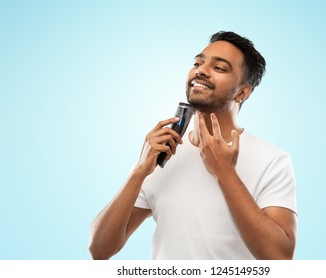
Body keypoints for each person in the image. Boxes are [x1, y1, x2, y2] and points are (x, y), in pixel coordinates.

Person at [88, 31, 297, 260]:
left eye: (219, 68)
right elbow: (99, 250)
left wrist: (225, 172)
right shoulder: (162, 154)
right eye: (198, 62)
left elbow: (280, 258)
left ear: (242, 92)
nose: (201, 70)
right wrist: (139, 172)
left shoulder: (272, 160)